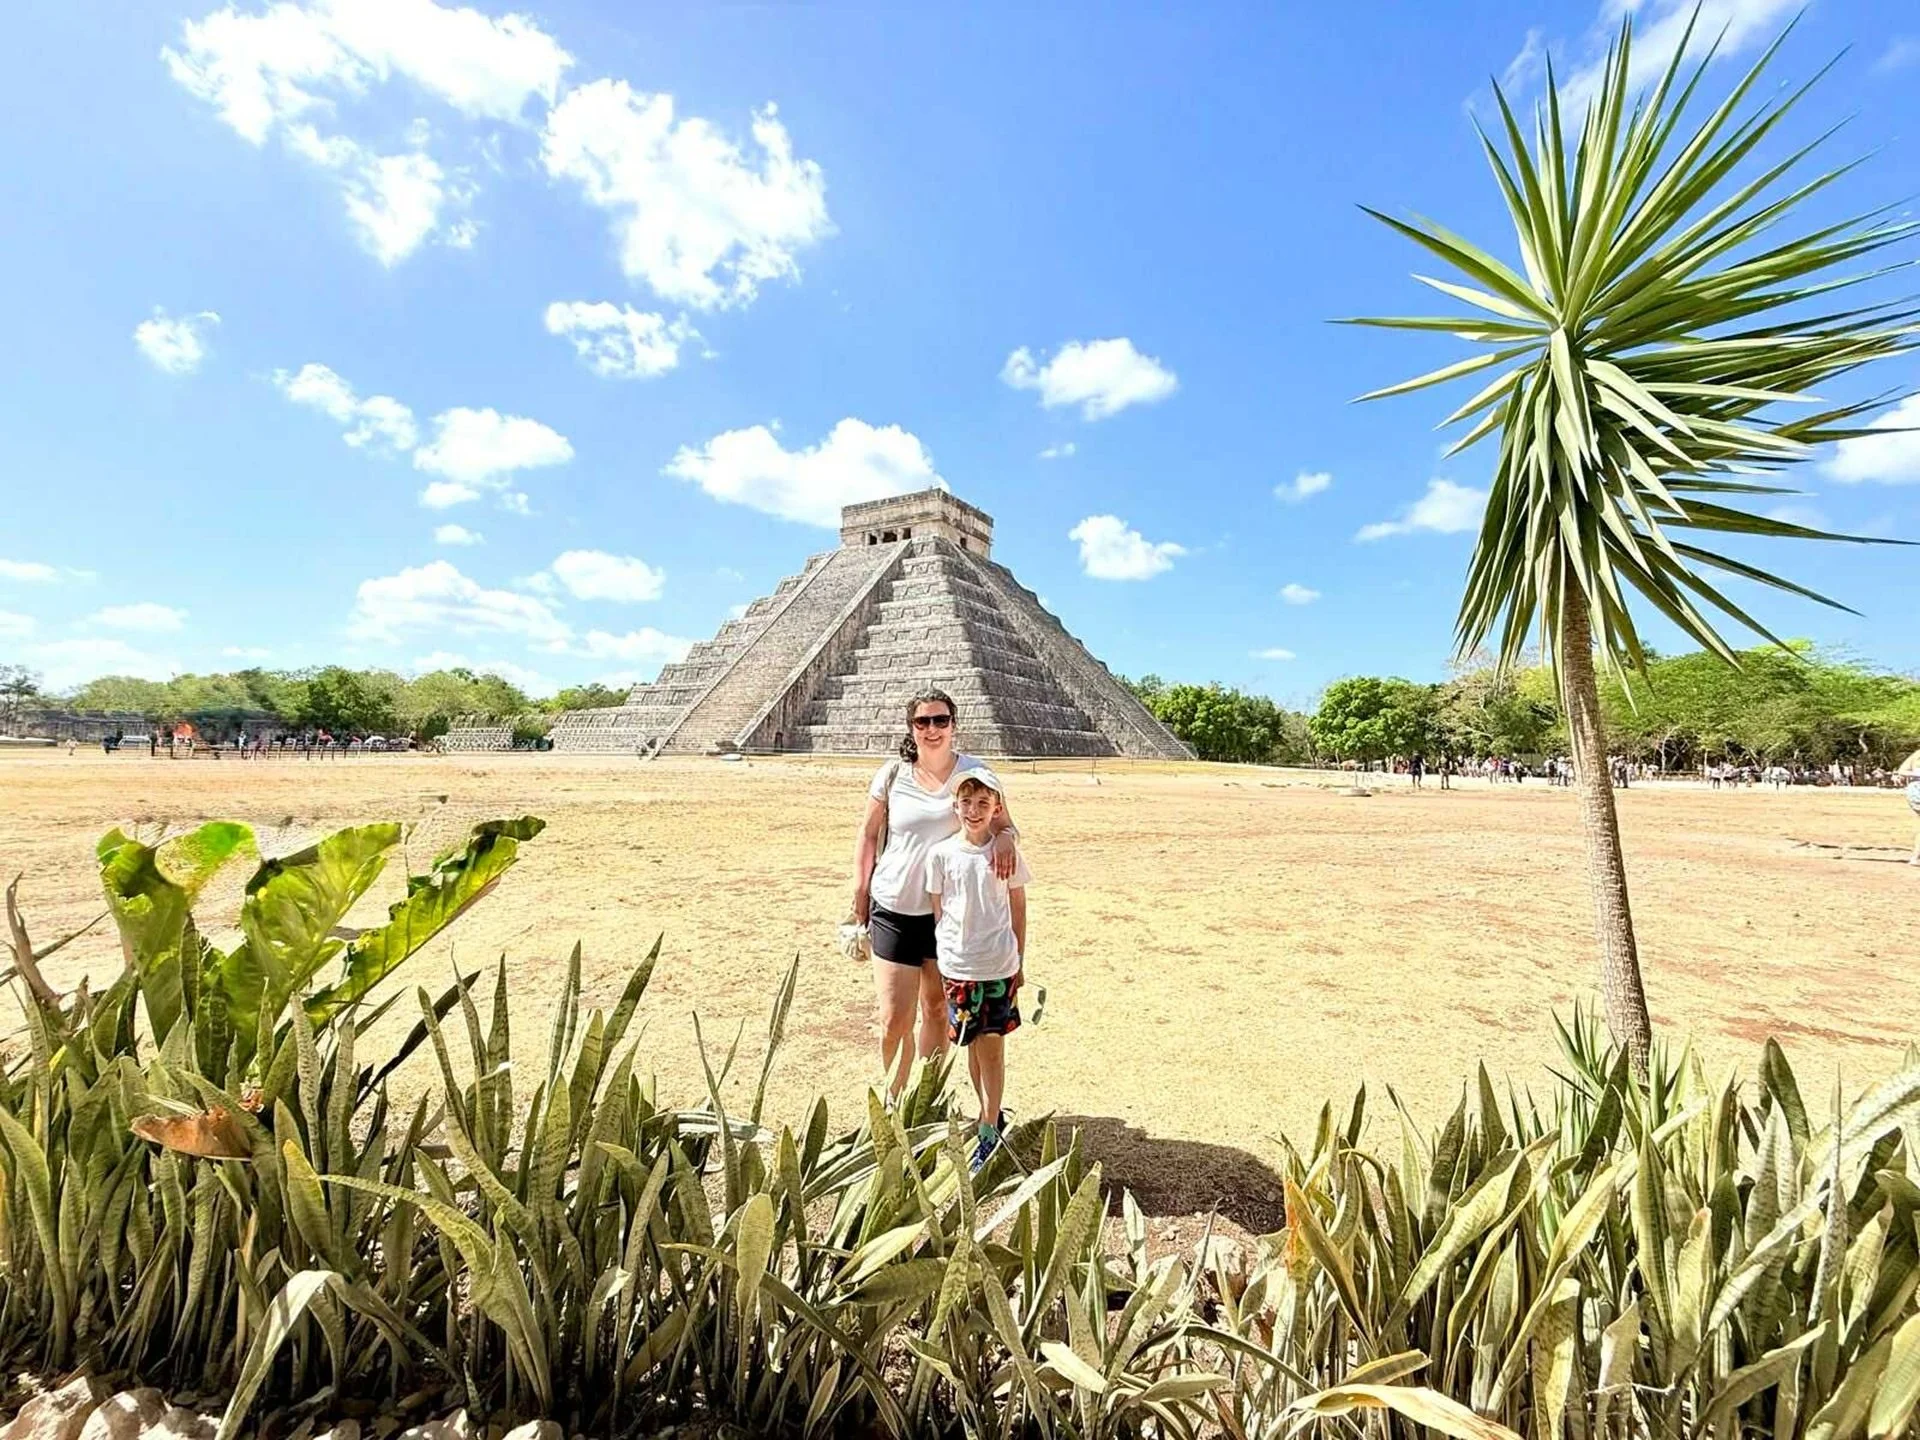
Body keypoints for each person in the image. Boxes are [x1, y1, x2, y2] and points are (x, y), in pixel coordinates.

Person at [851, 688, 1019, 1099]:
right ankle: (894, 1102)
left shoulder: (975, 773)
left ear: (954, 725)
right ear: (911, 728)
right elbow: (869, 833)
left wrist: (1006, 839)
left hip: (947, 916)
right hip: (893, 906)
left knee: (937, 1009)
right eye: (922, 721)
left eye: (940, 720)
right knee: (894, 1018)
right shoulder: (892, 774)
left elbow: (1004, 825)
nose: (931, 729)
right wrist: (860, 893)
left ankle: (925, 1102)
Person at [927, 768, 1030, 1169]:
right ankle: (990, 1114)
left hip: (997, 965)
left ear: (997, 808)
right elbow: (940, 911)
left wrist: (1019, 958)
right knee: (972, 1044)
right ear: (955, 806)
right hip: (959, 967)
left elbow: (1018, 907)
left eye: (983, 803)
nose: (973, 810)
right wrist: (947, 954)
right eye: (966, 802)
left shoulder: (1005, 854)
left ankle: (988, 1128)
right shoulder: (942, 854)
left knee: (992, 1049)